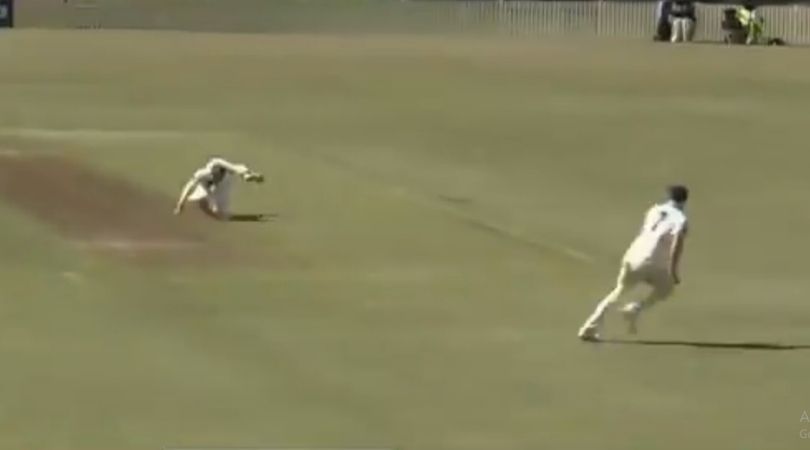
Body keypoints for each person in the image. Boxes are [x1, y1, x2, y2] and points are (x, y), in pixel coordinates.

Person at [578, 185, 689, 342]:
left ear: (668, 197)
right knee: (666, 289)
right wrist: (673, 271)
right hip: (655, 263)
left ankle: (589, 328)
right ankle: (636, 308)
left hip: (633, 257)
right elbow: (676, 243)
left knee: (618, 292)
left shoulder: (654, 210)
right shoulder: (681, 219)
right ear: (684, 200)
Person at [173, 157, 264, 221]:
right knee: (195, 199)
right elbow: (188, 187)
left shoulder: (226, 171)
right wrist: (180, 204)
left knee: (218, 213)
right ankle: (202, 204)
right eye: (217, 175)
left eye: (221, 175)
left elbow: (239, 168)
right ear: (212, 173)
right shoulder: (202, 174)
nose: (219, 176)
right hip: (205, 186)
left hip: (220, 184)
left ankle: (210, 206)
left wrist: (253, 176)